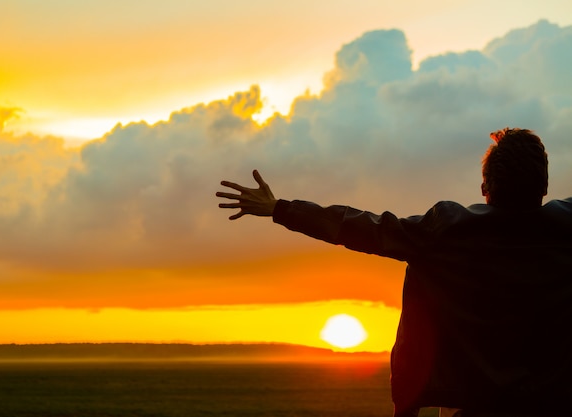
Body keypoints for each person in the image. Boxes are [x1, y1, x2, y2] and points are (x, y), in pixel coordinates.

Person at [216, 128, 572, 417]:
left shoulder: (446, 230)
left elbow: (361, 226)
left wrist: (279, 208)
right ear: (543, 188)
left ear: (485, 189)